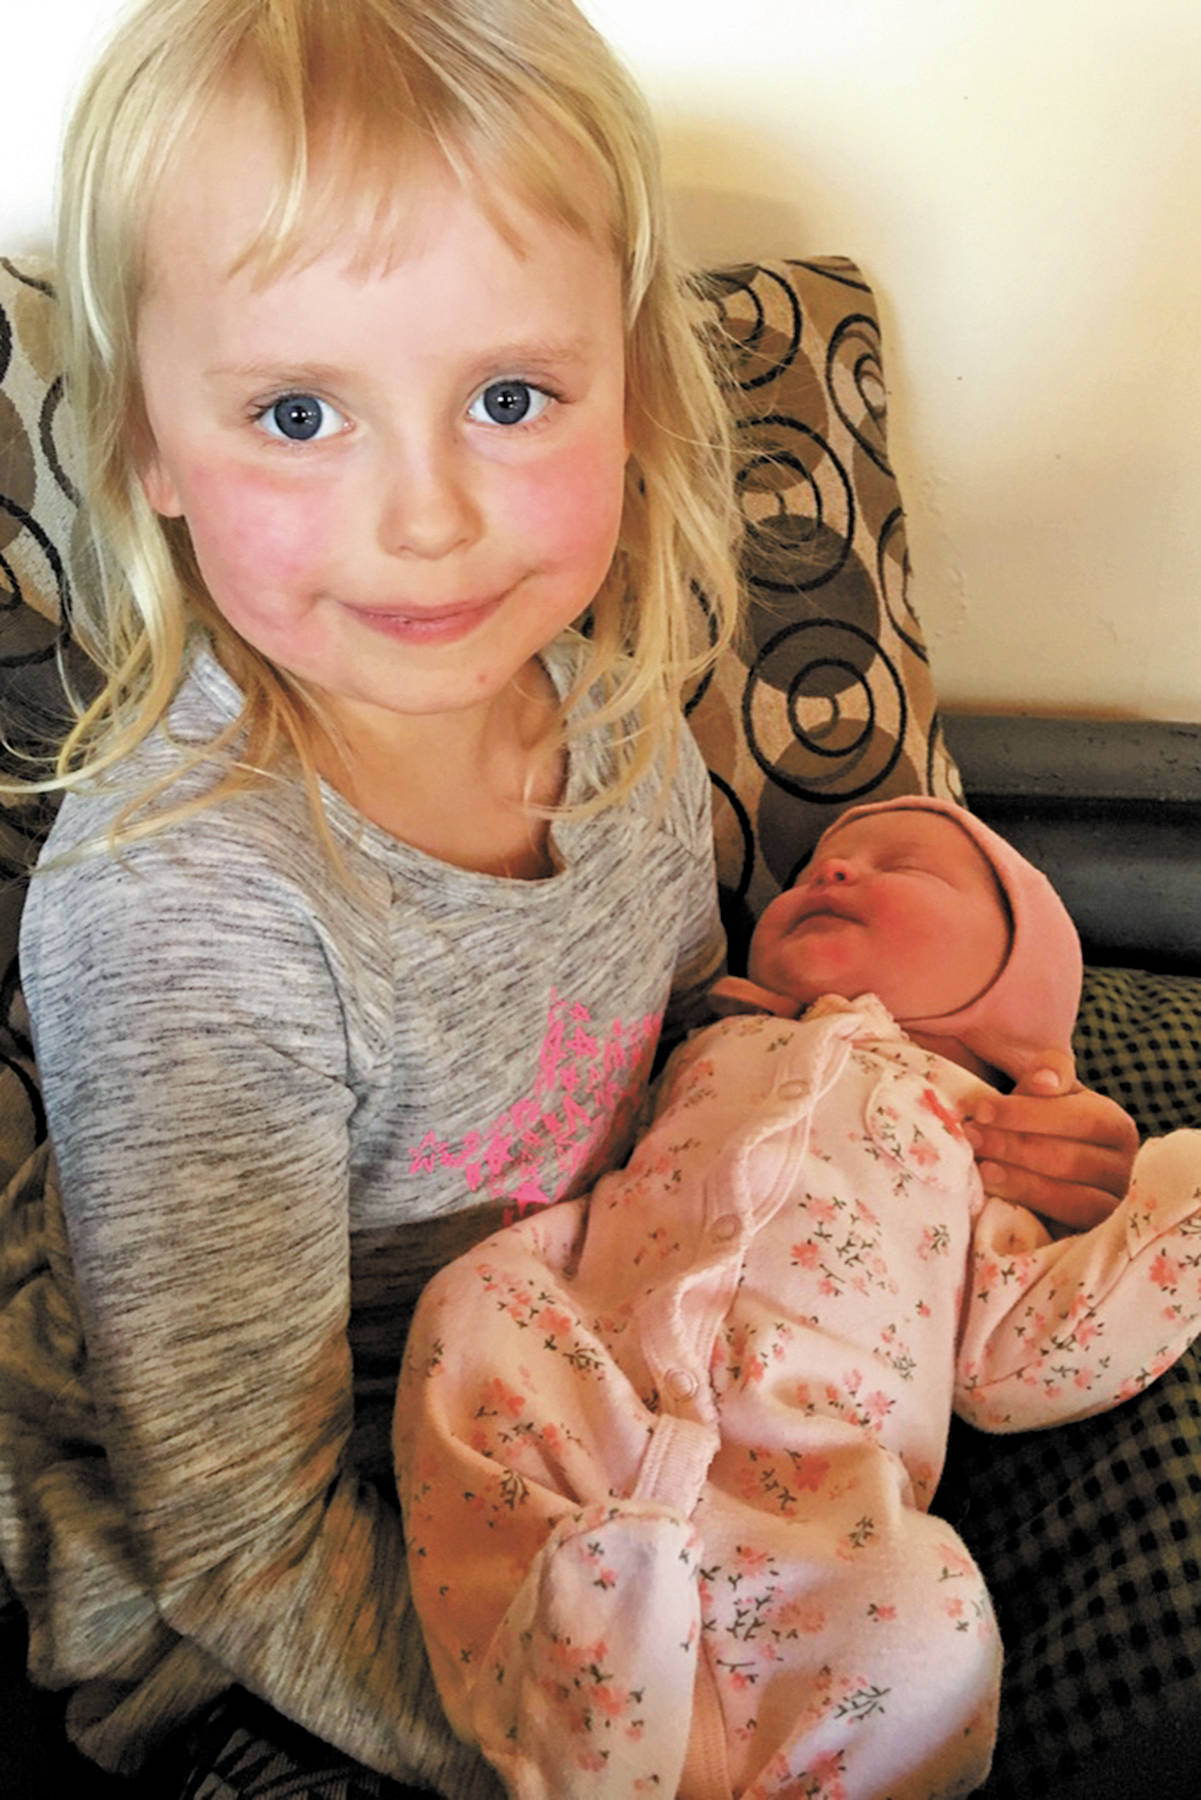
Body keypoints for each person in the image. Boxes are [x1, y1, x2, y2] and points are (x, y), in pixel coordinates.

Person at [0, 0, 1134, 1794]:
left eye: (509, 399)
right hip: (303, 1609)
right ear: (147, 442)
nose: (427, 517)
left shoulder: (617, 730)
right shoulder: (184, 912)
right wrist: (593, 1757)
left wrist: (950, 1142)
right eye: (299, 414)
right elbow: (234, 1532)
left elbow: (687, 1071)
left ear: (632, 397)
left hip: (618, 1409)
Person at [396, 796, 1201, 1800]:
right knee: (474, 1301)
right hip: (595, 1390)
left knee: (927, 1623)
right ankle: (578, 1699)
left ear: (1016, 982)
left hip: (812, 1492)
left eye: (900, 863)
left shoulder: (983, 1139)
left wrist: (1174, 1208)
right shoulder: (698, 1043)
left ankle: (675, 1745)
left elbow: (1022, 1360)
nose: (829, 873)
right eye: (818, 865)